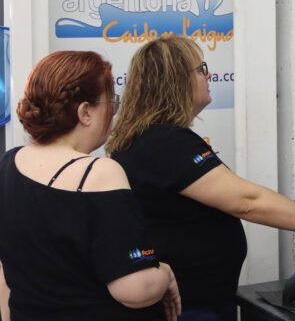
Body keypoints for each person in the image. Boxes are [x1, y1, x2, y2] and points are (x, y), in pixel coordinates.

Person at [107, 36, 295, 321]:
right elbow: (247, 202)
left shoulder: (142, 137)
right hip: (191, 306)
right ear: (175, 81)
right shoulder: (166, 142)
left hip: (192, 300)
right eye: (201, 69)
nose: (209, 75)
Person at [0, 51, 182, 320]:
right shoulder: (98, 173)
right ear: (85, 112)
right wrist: (164, 274)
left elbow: (6, 271)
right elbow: (134, 290)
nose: (114, 110)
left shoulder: (8, 163)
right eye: (111, 101)